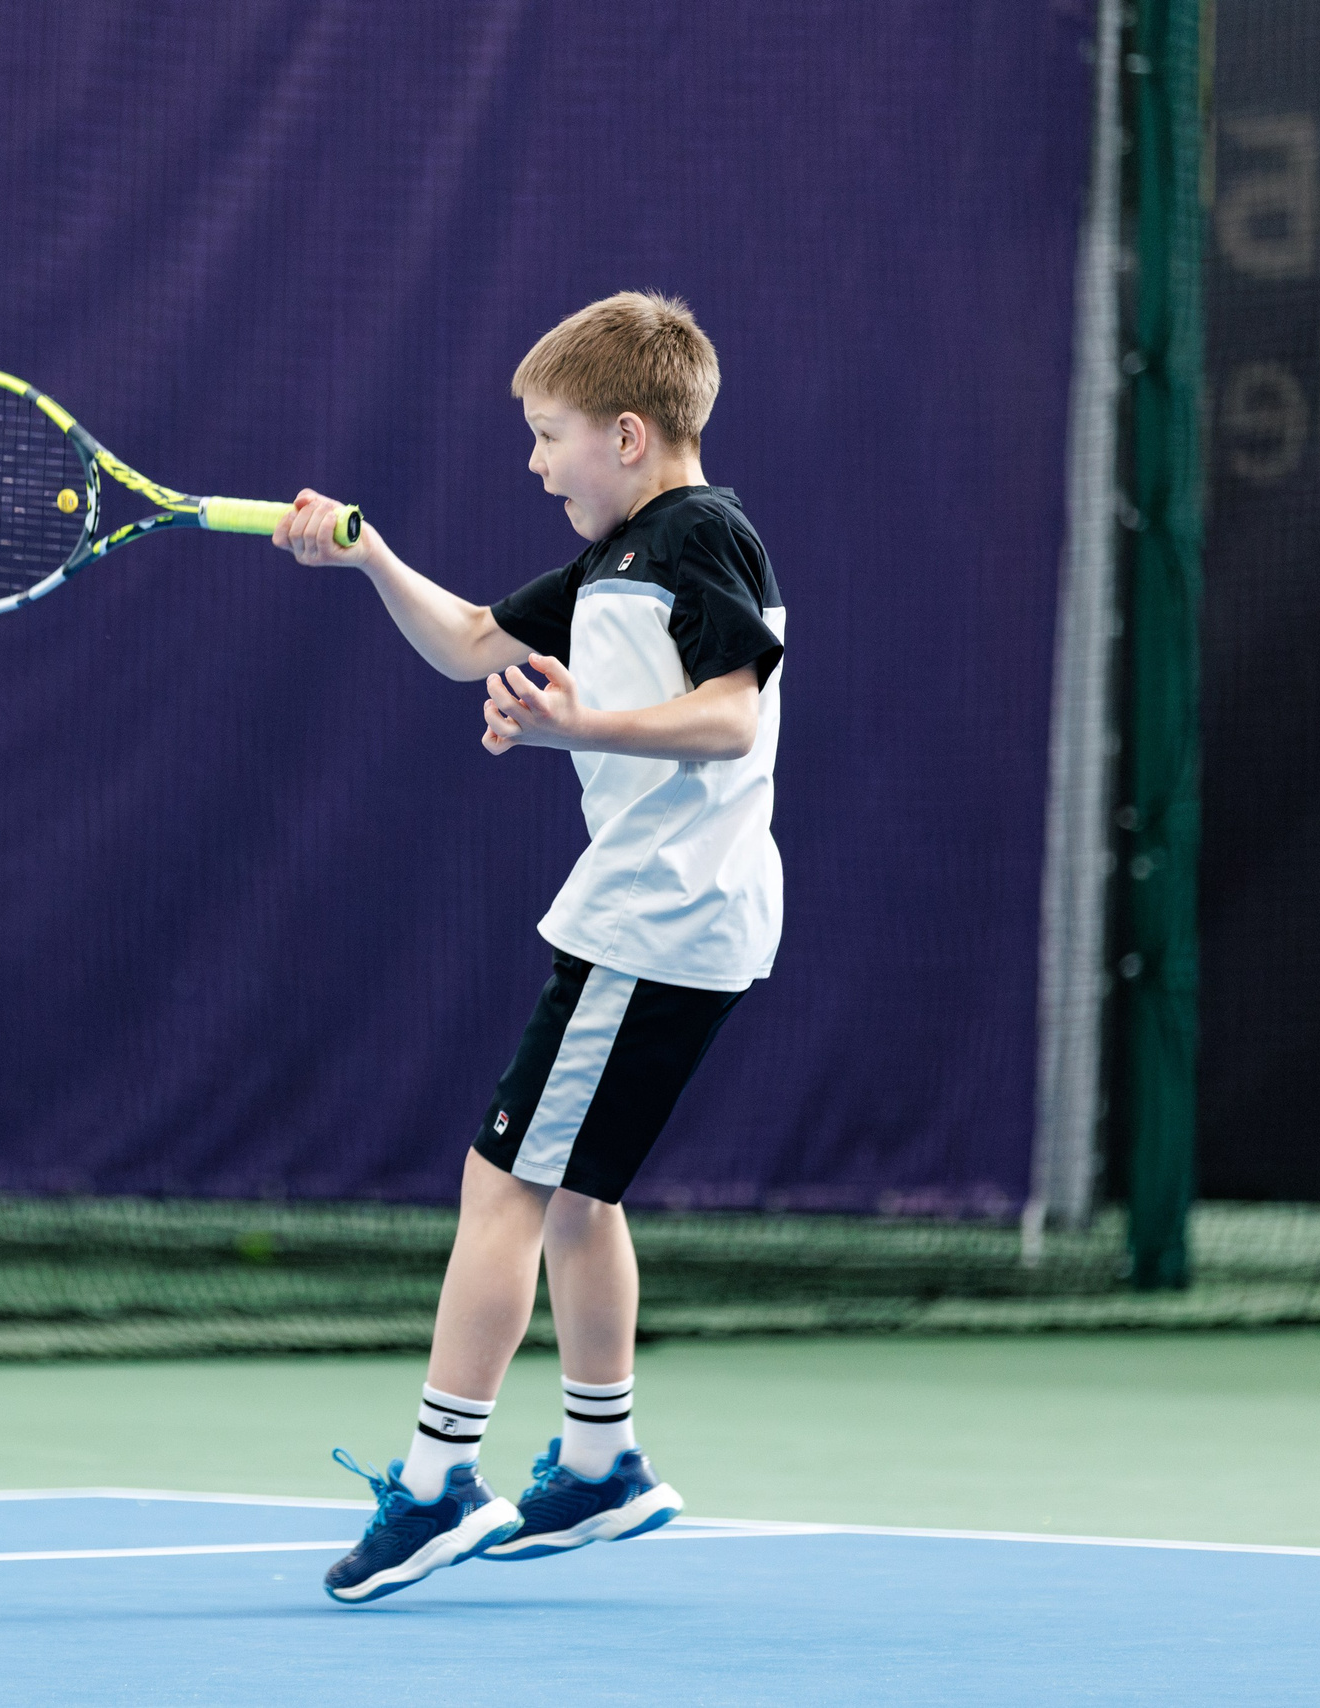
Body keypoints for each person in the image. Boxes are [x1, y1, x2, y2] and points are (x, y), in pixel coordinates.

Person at [272, 291, 786, 1604]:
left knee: (499, 1187)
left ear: (628, 435)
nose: (537, 461)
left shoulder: (698, 534)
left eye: (551, 435)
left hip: (653, 921)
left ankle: (438, 1485)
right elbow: (464, 645)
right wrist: (368, 553)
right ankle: (604, 1464)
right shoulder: (616, 561)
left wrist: (576, 729)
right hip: (678, 917)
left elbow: (731, 717)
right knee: (575, 1195)